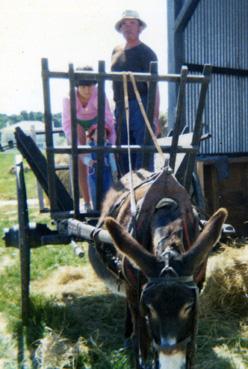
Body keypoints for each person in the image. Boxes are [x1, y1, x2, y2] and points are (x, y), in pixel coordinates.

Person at [111, 9, 160, 175]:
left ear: (139, 27)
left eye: (132, 23)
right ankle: (127, 191)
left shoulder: (147, 53)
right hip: (120, 107)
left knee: (143, 150)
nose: (128, 27)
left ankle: (145, 192)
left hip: (141, 106)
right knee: (122, 149)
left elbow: (154, 87)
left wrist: (154, 117)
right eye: (124, 23)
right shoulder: (115, 52)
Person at [62, 66, 116, 211]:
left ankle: (108, 200)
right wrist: (80, 151)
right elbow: (67, 125)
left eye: (91, 85)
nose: (87, 89)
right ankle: (87, 202)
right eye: (83, 86)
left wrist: (110, 143)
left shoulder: (99, 94)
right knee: (80, 159)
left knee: (103, 156)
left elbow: (108, 119)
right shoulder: (68, 99)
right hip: (77, 124)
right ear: (77, 85)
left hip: (97, 122)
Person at [83, 124, 118, 210]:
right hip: (93, 174)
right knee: (94, 192)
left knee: (108, 191)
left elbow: (112, 160)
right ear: (92, 136)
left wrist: (114, 171)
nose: (101, 136)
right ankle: (96, 209)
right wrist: (90, 162)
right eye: (98, 133)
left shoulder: (108, 146)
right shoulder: (89, 147)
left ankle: (108, 210)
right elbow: (85, 158)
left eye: (104, 133)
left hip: (107, 173)